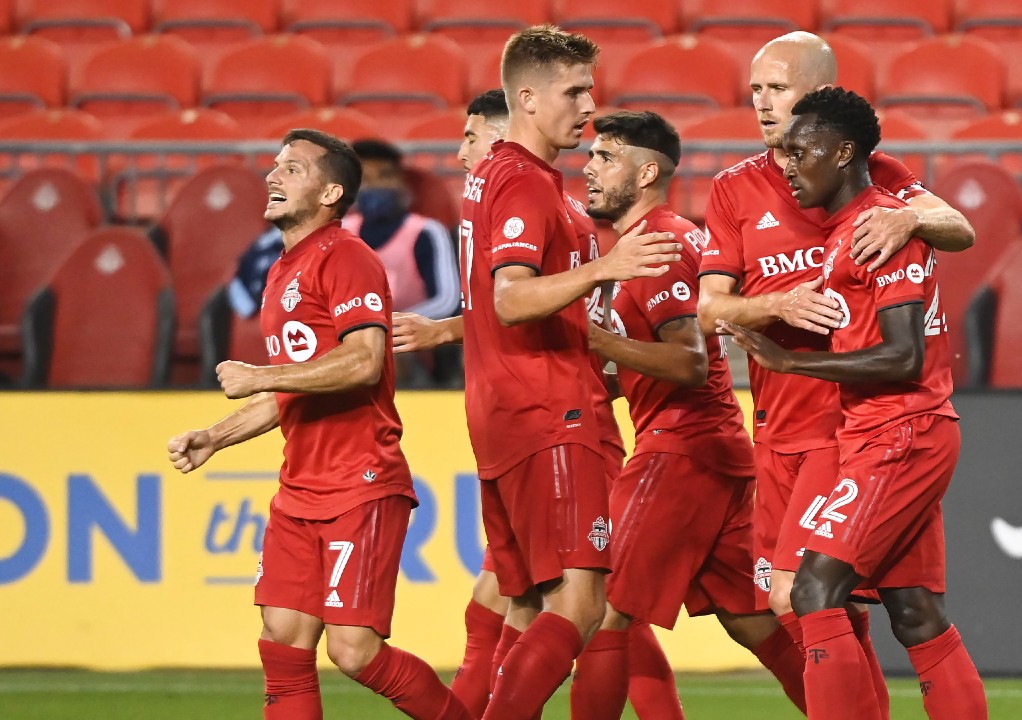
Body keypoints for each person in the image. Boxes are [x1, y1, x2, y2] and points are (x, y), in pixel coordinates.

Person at [697, 31, 976, 718]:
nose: (762, 104)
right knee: (908, 609)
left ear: (818, 94)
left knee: (807, 594)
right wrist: (777, 306)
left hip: (862, 428)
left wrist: (907, 215)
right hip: (793, 424)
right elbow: (707, 310)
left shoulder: (877, 187)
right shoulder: (737, 188)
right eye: (755, 89)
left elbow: (958, 230)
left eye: (778, 88)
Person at [392, 89, 684, 720]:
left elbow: (536, 310)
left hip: (564, 420)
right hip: (547, 415)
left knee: (555, 601)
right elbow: (517, 305)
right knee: (575, 603)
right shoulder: (528, 197)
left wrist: (448, 331)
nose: (464, 151)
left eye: (472, 136)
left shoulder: (534, 200)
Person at [166, 129, 469, 720]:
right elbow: (294, 389)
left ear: (331, 191)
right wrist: (216, 436)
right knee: (282, 639)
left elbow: (364, 361)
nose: (274, 176)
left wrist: (261, 374)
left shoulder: (348, 257)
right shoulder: (282, 271)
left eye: (293, 169)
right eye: (275, 165)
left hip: (359, 480)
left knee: (354, 651)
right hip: (300, 486)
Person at [569, 110, 809, 719]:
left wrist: (594, 343)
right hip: (716, 451)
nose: (588, 167)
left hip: (681, 448)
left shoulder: (660, 244)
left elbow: (689, 361)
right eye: (590, 155)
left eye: (605, 156)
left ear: (647, 171)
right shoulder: (642, 244)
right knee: (750, 619)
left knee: (600, 607)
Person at [227, 138, 461, 384]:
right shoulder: (337, 233)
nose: (378, 185)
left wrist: (381, 326)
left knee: (380, 355)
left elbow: (447, 300)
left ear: (401, 181)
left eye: (385, 175)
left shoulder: (426, 231)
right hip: (341, 342)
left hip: (409, 344)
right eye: (367, 179)